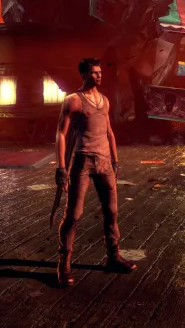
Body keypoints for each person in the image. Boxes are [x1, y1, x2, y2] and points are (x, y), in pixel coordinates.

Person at [54, 58, 136, 287]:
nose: (99, 75)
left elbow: (109, 132)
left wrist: (115, 161)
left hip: (105, 163)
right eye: (94, 72)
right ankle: (64, 263)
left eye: (100, 72)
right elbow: (61, 134)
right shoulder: (73, 101)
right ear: (83, 74)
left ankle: (113, 257)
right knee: (74, 215)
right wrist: (61, 167)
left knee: (112, 212)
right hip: (83, 161)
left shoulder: (104, 100)